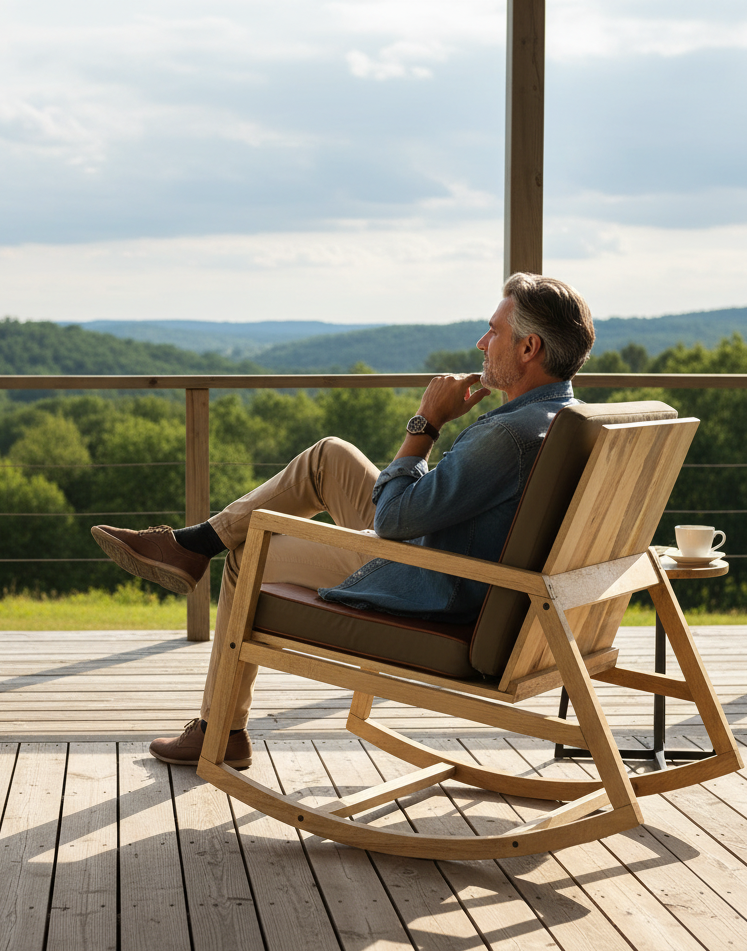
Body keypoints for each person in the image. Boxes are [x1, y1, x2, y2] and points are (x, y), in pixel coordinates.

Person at [92, 272, 596, 768]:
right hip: (444, 548)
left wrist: (426, 424)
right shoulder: (565, 419)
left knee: (249, 554)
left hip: (428, 575)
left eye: (495, 331)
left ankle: (219, 731)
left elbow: (395, 517)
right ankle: (194, 544)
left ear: (529, 348)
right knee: (329, 457)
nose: (482, 342)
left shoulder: (507, 437)